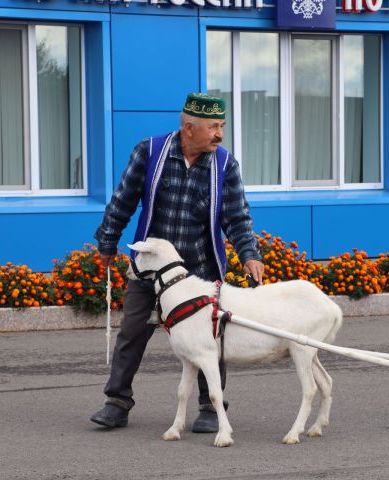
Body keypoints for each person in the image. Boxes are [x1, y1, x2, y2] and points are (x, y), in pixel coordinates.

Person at [90, 92, 264, 432]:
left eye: (222, 126)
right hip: (152, 268)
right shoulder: (149, 152)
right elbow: (122, 201)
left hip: (200, 271)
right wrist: (108, 240)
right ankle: (117, 401)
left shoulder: (225, 164)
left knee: (212, 338)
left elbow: (237, 218)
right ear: (189, 127)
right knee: (132, 332)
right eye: (214, 127)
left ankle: (211, 408)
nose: (220, 134)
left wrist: (249, 255)